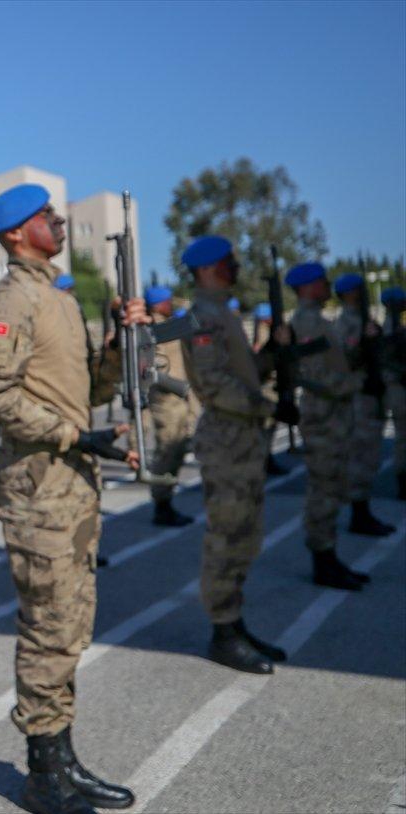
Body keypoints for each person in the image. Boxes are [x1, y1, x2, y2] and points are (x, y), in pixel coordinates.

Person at [0, 184, 141, 814]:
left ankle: (62, 759)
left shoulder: (57, 300)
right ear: (17, 233)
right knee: (49, 624)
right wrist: (74, 434)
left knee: (69, 624)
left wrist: (122, 344)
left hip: (69, 483)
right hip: (38, 484)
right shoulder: (12, 301)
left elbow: (84, 388)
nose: (59, 221)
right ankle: (44, 774)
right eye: (46, 216)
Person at [181, 236, 288, 674]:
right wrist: (267, 406)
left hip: (243, 439)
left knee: (246, 535)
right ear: (206, 269)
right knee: (226, 537)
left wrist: (273, 355)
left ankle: (234, 622)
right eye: (228, 263)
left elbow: (240, 373)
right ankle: (223, 632)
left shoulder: (225, 313)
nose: (235, 268)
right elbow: (213, 385)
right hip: (226, 441)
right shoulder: (201, 318)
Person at [286, 265, 372, 590]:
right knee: (323, 490)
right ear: (309, 287)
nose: (328, 287)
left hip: (334, 416)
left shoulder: (321, 321)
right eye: (323, 282)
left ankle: (330, 556)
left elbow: (335, 362)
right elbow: (313, 374)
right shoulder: (307, 322)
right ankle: (323, 561)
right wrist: (354, 382)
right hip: (323, 418)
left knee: (333, 487)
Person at [333, 273, 396, 535]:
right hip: (359, 395)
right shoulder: (346, 322)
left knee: (370, 454)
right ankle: (359, 512)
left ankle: (363, 509)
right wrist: (363, 341)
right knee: (361, 454)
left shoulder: (361, 319)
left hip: (372, 393)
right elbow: (345, 357)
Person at [144, 285, 198, 526]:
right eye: (167, 301)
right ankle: (161, 503)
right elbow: (152, 366)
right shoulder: (153, 328)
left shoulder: (166, 324)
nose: (170, 305)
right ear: (159, 303)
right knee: (167, 451)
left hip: (177, 397)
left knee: (176, 449)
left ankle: (166, 500)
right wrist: (177, 385)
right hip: (166, 398)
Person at [250, 303, 290, 476]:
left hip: (270, 384)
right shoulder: (263, 333)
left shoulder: (260, 330)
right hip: (267, 386)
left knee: (268, 427)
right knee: (266, 426)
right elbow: (261, 357)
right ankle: (265, 460)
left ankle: (266, 459)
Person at [380, 286, 406, 500]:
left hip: (398, 385)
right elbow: (389, 360)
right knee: (403, 437)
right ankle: (402, 482)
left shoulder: (396, 325)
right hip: (398, 387)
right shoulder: (391, 328)